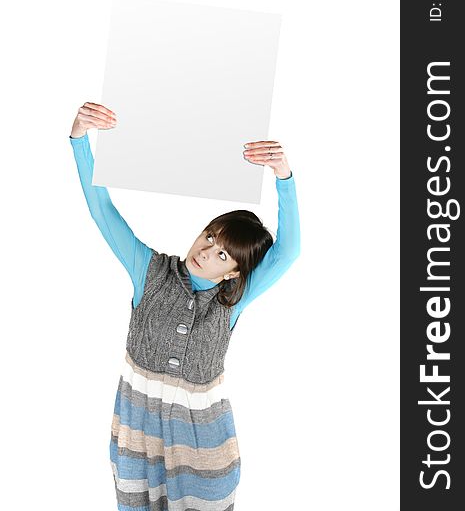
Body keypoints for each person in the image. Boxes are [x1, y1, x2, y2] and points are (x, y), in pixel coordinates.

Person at [70, 102, 300, 511]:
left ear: (234, 273)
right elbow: (102, 210)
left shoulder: (234, 299)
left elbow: (288, 252)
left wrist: (284, 176)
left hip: (203, 445)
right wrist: (80, 139)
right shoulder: (150, 270)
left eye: (224, 255)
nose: (207, 251)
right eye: (211, 237)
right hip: (137, 436)